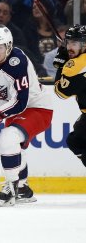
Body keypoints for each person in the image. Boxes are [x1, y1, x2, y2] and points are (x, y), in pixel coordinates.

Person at [0, 25, 53, 207]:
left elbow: (22, 101)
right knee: (14, 147)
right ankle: (23, 188)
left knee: (7, 137)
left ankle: (11, 187)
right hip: (14, 108)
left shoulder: (18, 62)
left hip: (36, 107)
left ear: (8, 46)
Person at [53, 25, 86, 169]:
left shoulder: (77, 64)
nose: (70, 47)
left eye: (75, 43)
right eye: (69, 43)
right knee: (76, 140)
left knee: (75, 141)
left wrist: (61, 65)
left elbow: (61, 92)